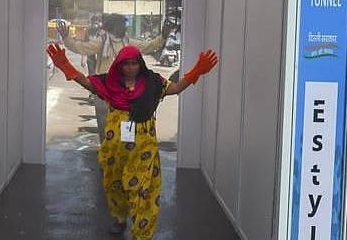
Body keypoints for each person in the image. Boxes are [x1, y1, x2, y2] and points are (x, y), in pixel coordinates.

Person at [46, 43, 218, 239]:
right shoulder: (110, 83)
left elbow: (176, 88)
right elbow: (88, 83)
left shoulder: (154, 82)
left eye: (134, 63)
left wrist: (197, 70)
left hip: (143, 149)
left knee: (143, 190)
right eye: (125, 64)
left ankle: (141, 234)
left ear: (140, 64)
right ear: (119, 65)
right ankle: (119, 218)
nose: (130, 68)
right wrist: (66, 66)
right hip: (114, 150)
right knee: (114, 185)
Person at [57, 14, 169, 143]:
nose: (123, 27)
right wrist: (67, 38)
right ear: (112, 26)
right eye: (121, 24)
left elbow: (147, 46)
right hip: (104, 90)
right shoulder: (102, 41)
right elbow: (81, 48)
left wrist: (163, 37)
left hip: (125, 90)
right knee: (105, 124)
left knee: (127, 123)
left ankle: (125, 150)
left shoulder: (128, 43)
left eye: (123, 24)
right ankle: (107, 150)